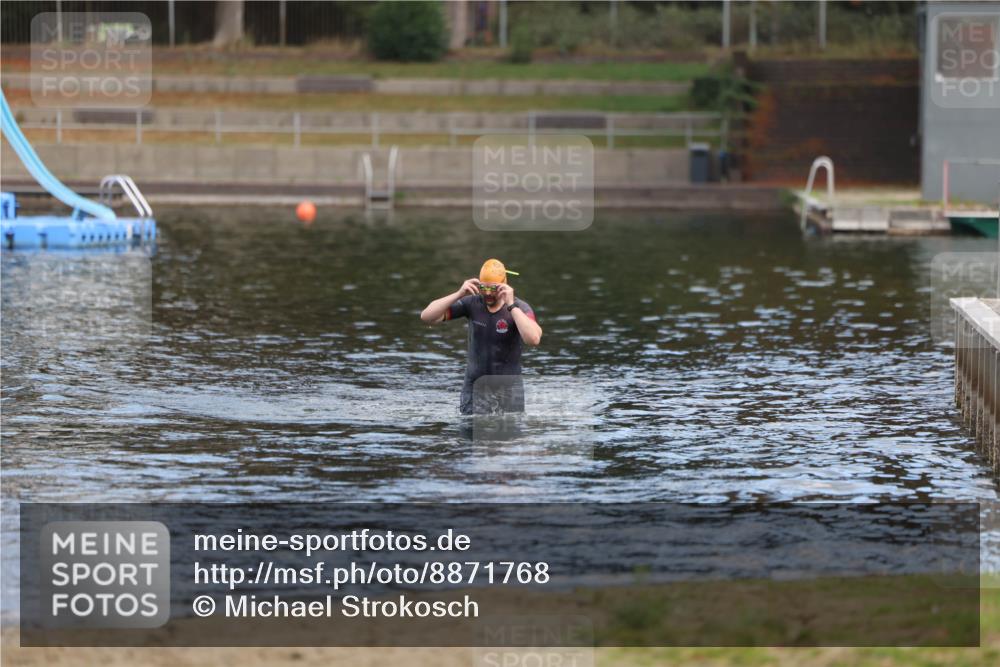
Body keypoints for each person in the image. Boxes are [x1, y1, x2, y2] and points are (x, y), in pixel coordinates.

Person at [421, 258, 543, 415]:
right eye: (483, 288)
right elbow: (427, 317)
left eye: (493, 289)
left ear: (504, 286)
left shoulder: (519, 308)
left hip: (509, 390)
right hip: (474, 388)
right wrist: (459, 294)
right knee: (470, 435)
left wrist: (511, 305)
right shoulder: (471, 303)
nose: (487, 294)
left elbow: (533, 339)